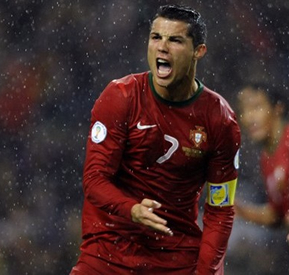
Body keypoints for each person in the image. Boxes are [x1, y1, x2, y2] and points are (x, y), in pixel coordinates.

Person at [70, 4, 241, 275]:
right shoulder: (120, 97)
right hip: (109, 252)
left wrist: (206, 272)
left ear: (199, 51)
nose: (162, 47)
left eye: (175, 40)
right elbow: (94, 179)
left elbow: (220, 209)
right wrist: (132, 209)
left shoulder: (219, 119)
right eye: (156, 37)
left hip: (176, 256)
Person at [234, 82, 289, 235]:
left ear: (278, 108)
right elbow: (278, 215)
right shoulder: (266, 159)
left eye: (256, 107)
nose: (248, 117)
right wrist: (240, 211)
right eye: (243, 111)